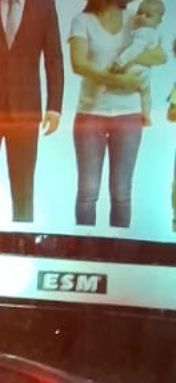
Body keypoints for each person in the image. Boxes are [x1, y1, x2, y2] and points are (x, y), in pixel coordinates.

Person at [70, 0, 168, 228]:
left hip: (128, 114)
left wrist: (128, 59)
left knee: (121, 192)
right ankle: (84, 255)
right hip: (91, 112)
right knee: (88, 191)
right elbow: (79, 64)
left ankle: (118, 253)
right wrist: (117, 79)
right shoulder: (82, 21)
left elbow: (160, 56)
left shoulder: (136, 17)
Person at [0, 0, 65, 224]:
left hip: (26, 109)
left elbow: (54, 57)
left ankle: (24, 241)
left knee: (23, 186)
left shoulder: (44, 6)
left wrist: (54, 107)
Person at [103, 0, 165, 126]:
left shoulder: (143, 32)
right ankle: (146, 114)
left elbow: (134, 49)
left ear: (158, 21)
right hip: (145, 73)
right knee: (146, 93)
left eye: (148, 15)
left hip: (134, 69)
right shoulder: (157, 34)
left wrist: (119, 62)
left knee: (116, 77)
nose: (141, 17)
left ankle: (108, 89)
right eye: (139, 13)